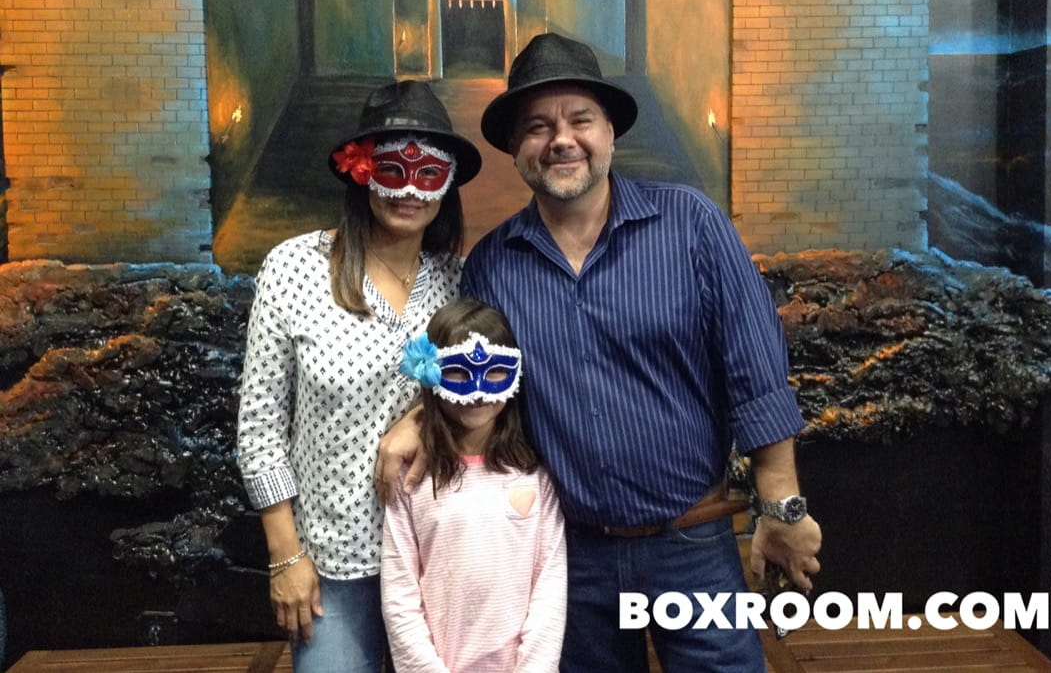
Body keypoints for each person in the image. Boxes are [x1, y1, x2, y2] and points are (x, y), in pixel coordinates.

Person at [377, 34, 821, 672]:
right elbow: (476, 379)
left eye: (580, 120)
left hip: (693, 543)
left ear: (610, 132)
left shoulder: (692, 224)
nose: (561, 139)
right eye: (538, 127)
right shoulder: (492, 265)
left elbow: (756, 372)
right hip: (570, 557)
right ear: (515, 148)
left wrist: (781, 505)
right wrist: (417, 416)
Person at [236, 80, 482, 673]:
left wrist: (420, 416)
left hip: (439, 556)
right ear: (361, 170)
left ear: (447, 183)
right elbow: (260, 427)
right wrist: (285, 555)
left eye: (427, 174)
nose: (409, 190)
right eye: (392, 169)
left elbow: (484, 397)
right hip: (333, 564)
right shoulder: (294, 268)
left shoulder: (461, 280)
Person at [381, 298, 566, 672]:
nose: (478, 389)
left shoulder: (536, 476)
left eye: (495, 371)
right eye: (458, 372)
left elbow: (549, 590)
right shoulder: (413, 480)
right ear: (431, 373)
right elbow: (400, 594)